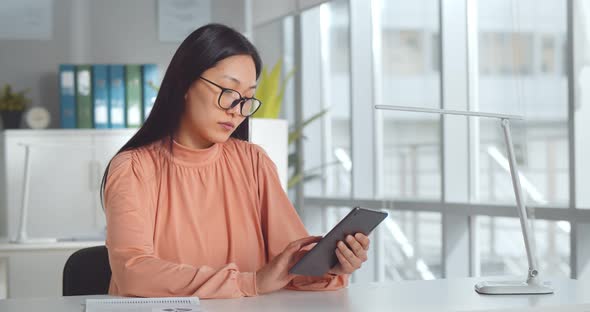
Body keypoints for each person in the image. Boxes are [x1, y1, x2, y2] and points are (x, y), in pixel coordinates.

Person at [101, 23, 371, 299]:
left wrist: (331, 265)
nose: (236, 110)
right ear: (184, 83)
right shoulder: (133, 168)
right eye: (228, 92)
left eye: (247, 98)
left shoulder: (253, 163)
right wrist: (248, 282)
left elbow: (290, 268)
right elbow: (133, 273)